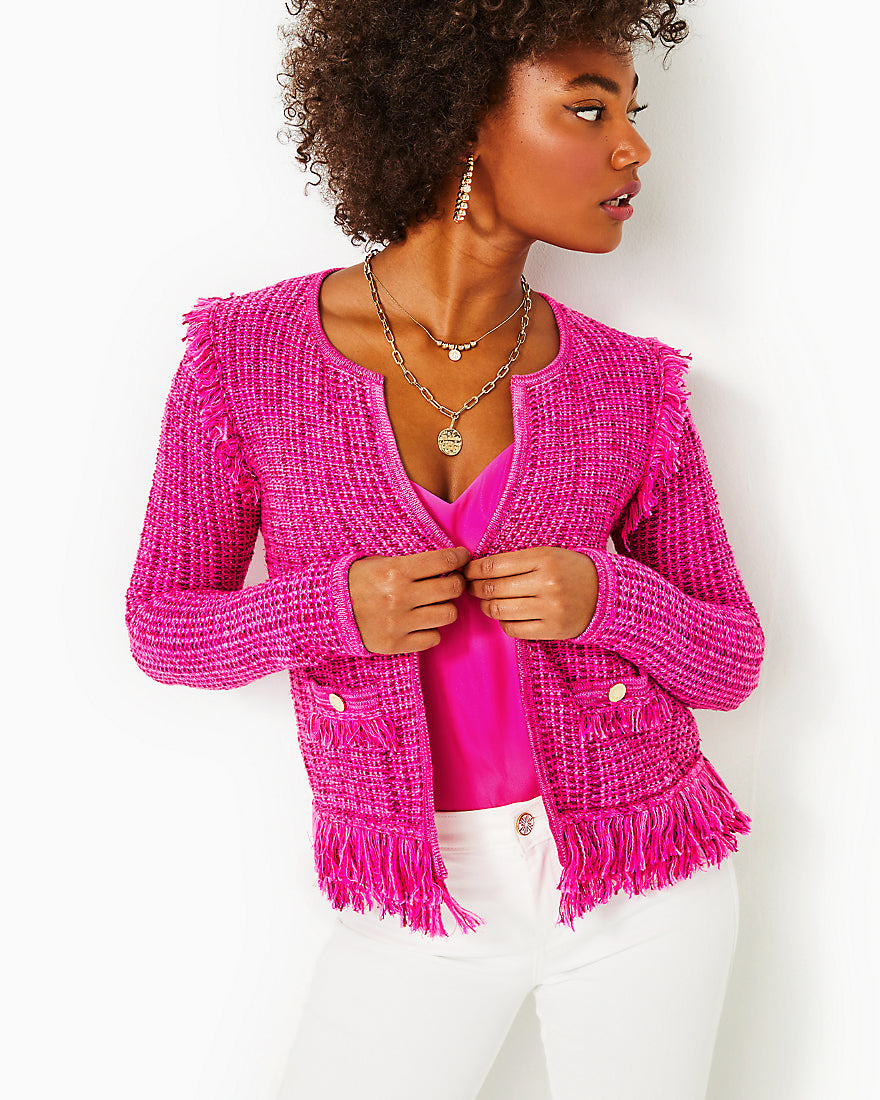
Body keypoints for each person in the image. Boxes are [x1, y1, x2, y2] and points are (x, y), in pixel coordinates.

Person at [125, 2, 765, 1098]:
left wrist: (606, 597)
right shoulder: (246, 359)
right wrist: (328, 609)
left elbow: (731, 657)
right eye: (588, 108)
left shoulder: (631, 383)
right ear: (461, 117)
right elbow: (163, 625)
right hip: (418, 894)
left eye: (633, 109)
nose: (633, 148)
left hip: (647, 876)